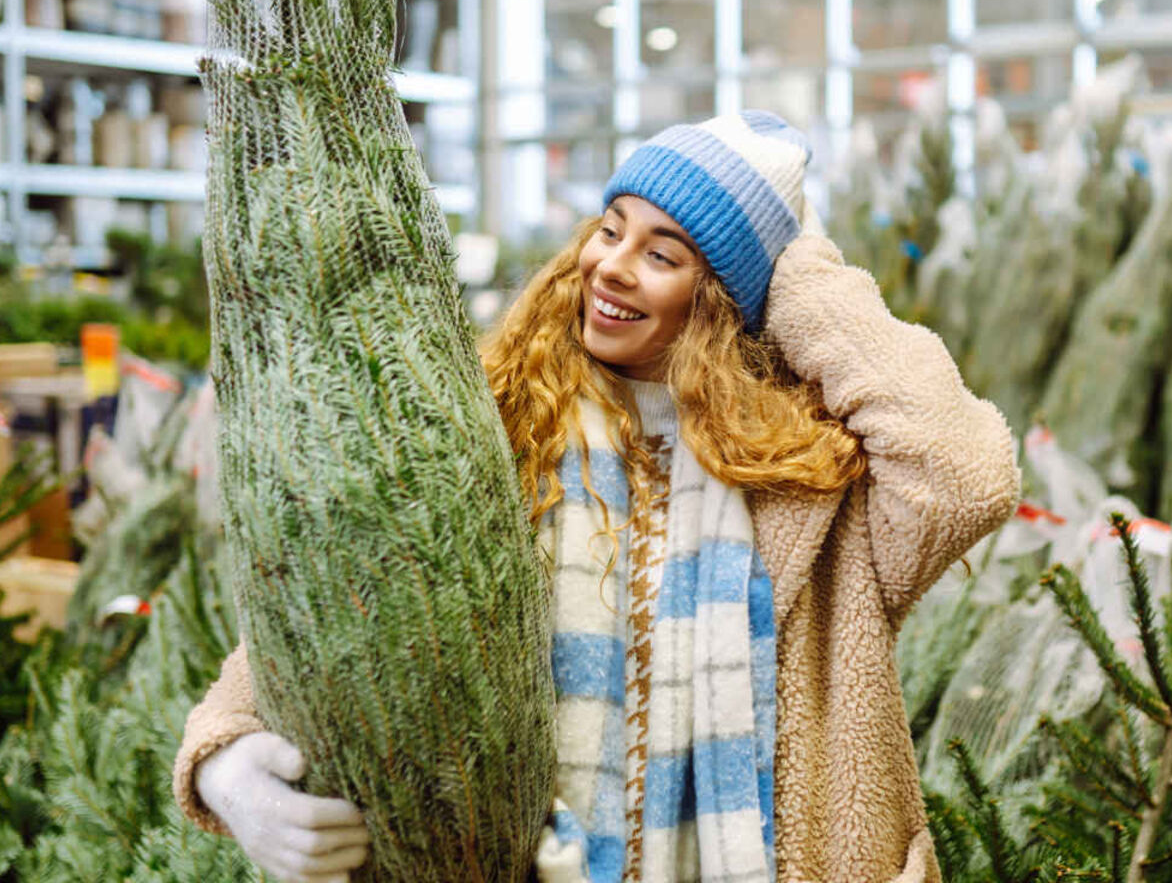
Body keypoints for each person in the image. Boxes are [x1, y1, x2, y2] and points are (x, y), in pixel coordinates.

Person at [171, 110, 1019, 883]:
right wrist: (225, 756)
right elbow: (342, 606)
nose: (610, 267)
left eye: (662, 253)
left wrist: (801, 277)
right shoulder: (494, 430)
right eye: (610, 231)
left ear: (722, 299)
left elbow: (966, 473)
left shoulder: (810, 477)